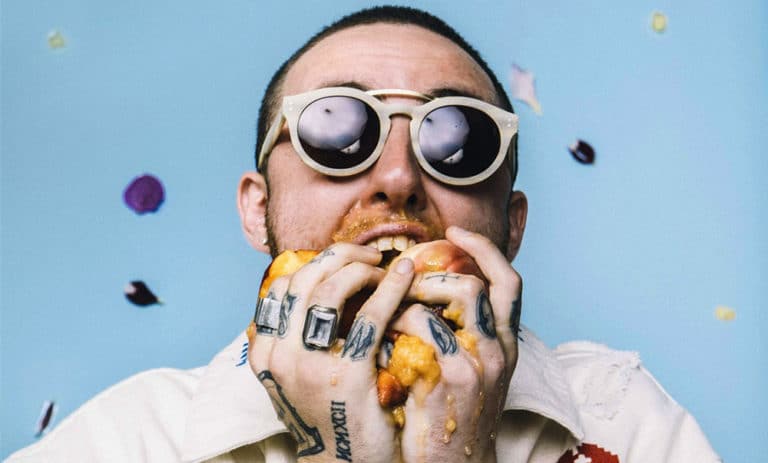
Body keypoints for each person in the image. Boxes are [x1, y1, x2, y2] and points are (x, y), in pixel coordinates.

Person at [6, 6, 721, 463]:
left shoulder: (621, 419)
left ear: (512, 226)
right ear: (257, 210)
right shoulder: (127, 441)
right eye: (337, 127)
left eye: (458, 139)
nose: (399, 177)